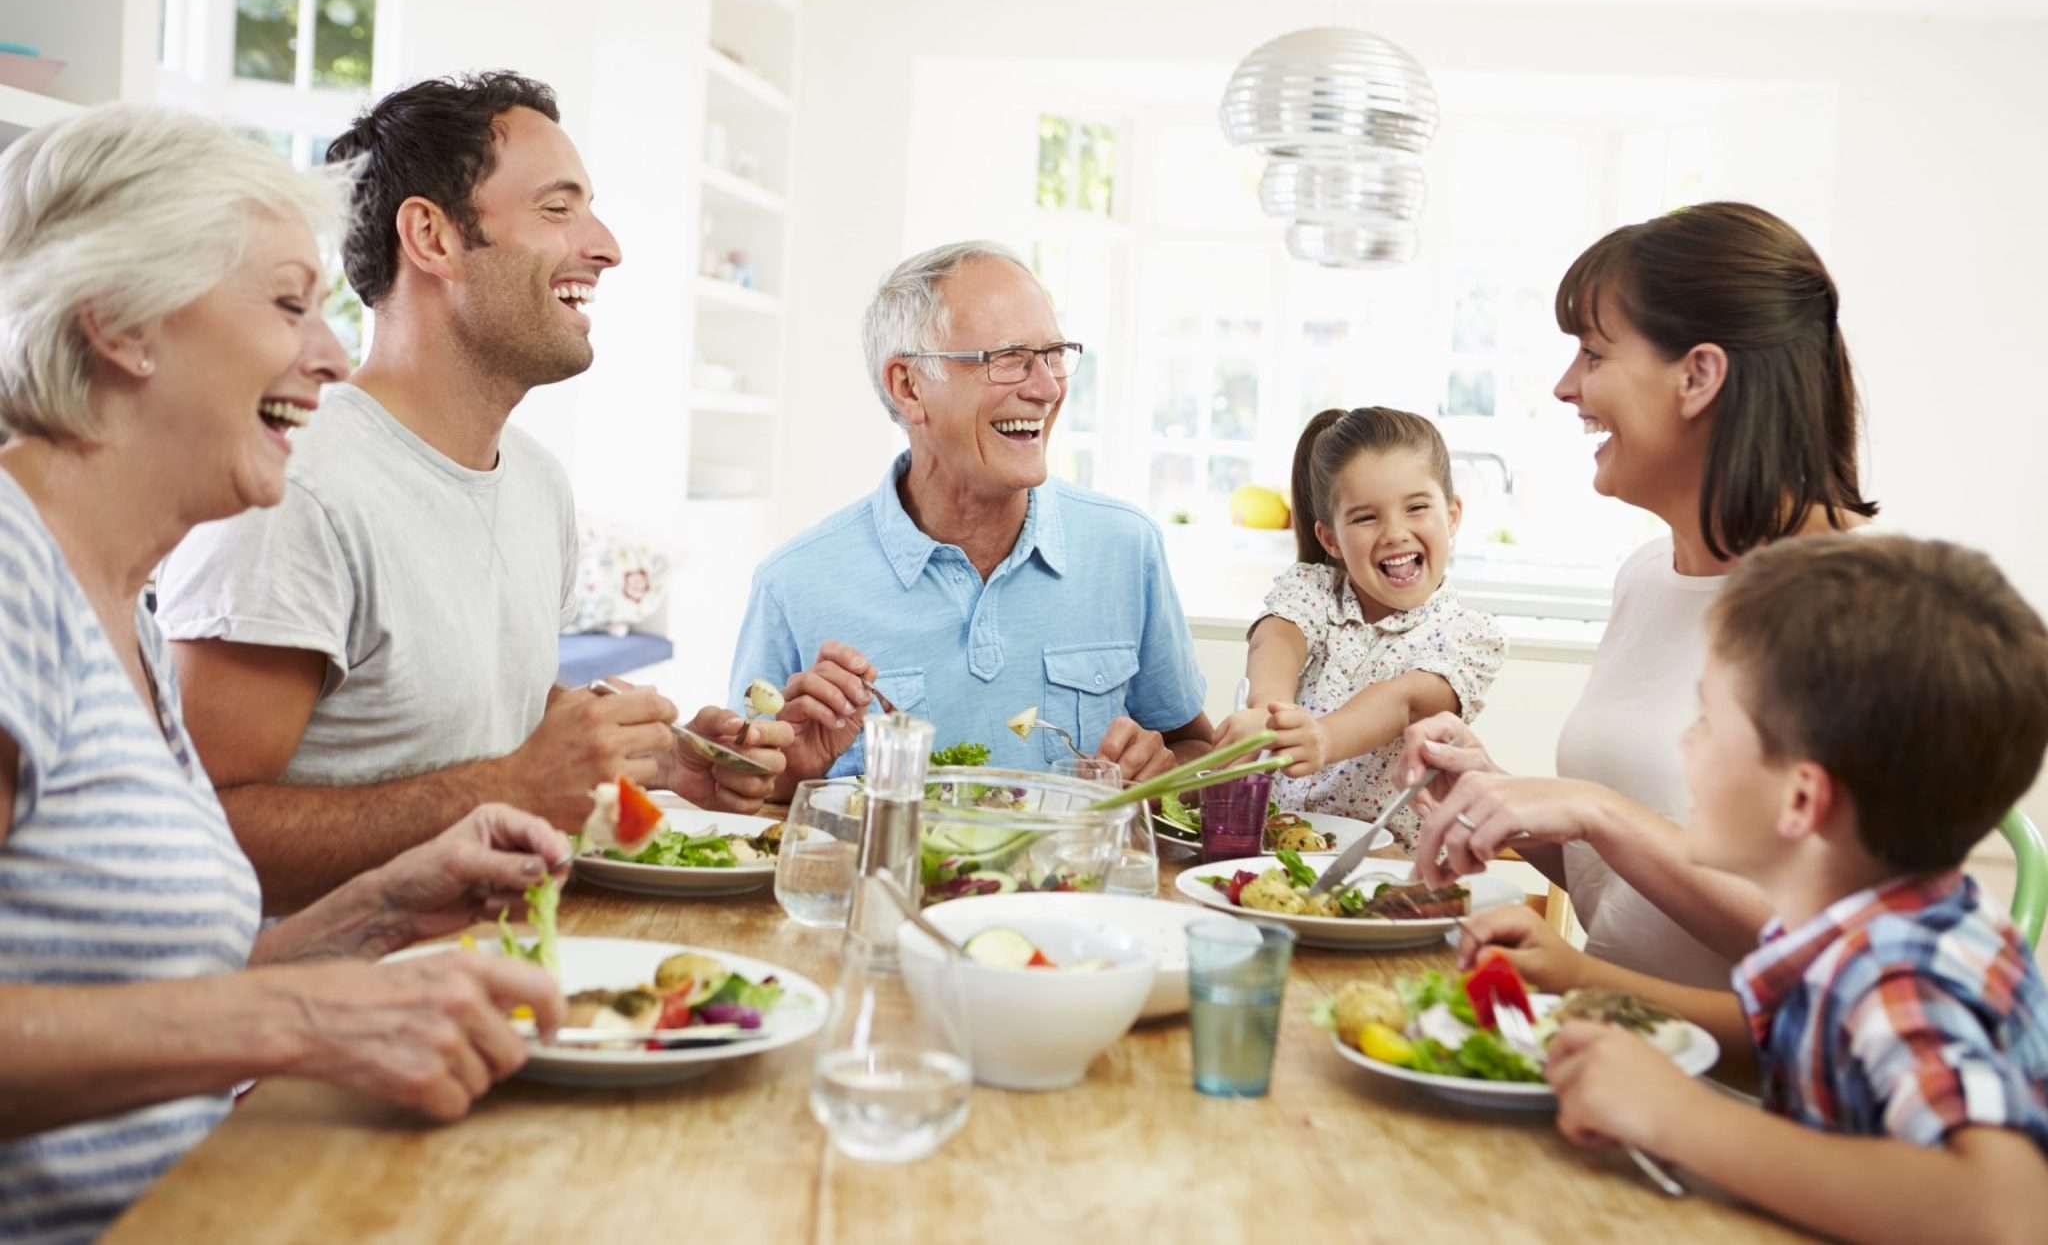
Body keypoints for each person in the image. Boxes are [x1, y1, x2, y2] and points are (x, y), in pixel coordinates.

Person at [0, 104, 571, 1244]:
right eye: (285, 304)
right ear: (121, 322)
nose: (331, 353)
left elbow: (141, 996)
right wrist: (300, 1015)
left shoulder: (116, 607)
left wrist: (370, 916)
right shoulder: (10, 577)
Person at [156, 72, 789, 912]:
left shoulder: (537, 484)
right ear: (433, 236)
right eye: (558, 210)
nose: (605, 245)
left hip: (498, 976)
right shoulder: (294, 488)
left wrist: (660, 762)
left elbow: (472, 728)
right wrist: (517, 785)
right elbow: (201, 830)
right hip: (331, 1008)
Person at [1459, 534, 2048, 1242]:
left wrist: (1681, 1117)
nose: (1686, 745)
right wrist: (1586, 982)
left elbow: (2006, 1210)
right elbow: (1784, 1036)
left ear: (1801, 802)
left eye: (1706, 720)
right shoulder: (1853, 927)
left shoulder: (1900, 968)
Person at [1400, 202, 1876, 986]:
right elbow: (1629, 893)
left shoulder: (1860, 612)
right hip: (1607, 1052)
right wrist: (1503, 797)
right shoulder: (1649, 575)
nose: (1563, 387)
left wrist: (1595, 810)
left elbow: (1830, 967)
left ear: (1697, 376)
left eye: (1591, 353)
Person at [730, 241, 1213, 795]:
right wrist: (789, 776)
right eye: (1007, 360)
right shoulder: (794, 583)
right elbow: (743, 796)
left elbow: (1195, 748)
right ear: (909, 387)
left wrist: (1167, 772)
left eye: (1053, 354)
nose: (1047, 388)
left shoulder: (1126, 547)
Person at [1211, 407, 1504, 848]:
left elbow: (1404, 700)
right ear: (1331, 539)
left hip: (1386, 871)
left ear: (1453, 515)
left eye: (1417, 508)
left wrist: (1321, 738)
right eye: (1366, 517)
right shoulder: (1313, 589)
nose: (1395, 533)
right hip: (1276, 854)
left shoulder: (1468, 635)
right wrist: (1270, 714)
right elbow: (1277, 638)